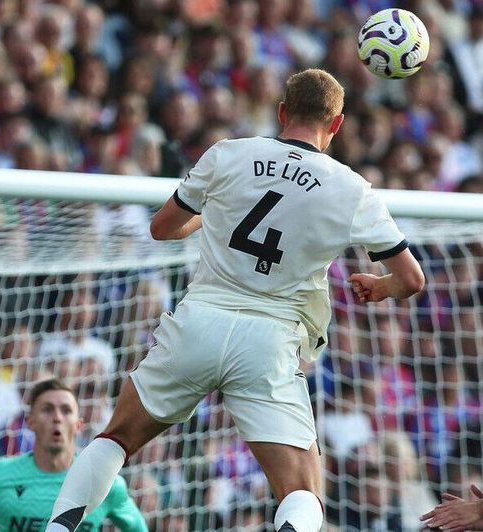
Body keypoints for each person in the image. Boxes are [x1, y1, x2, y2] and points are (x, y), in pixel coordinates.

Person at [45, 68, 425, 532]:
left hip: (199, 322)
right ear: (338, 124)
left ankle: (58, 528)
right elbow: (411, 279)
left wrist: (212, 221)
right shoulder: (351, 189)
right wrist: (379, 286)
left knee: (117, 438)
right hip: (270, 342)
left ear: (282, 112)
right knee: (302, 492)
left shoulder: (229, 154)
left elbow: (162, 228)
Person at [0, 378, 146, 531]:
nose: (57, 418)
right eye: (48, 410)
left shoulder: (106, 482)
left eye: (66, 410)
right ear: (30, 421)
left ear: (78, 425)